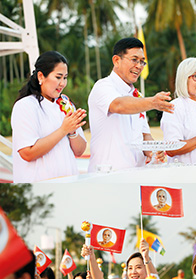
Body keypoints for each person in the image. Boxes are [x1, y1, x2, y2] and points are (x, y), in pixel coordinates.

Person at [87, 37, 174, 173]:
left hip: (136, 174)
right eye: (134, 60)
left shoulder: (137, 97)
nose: (139, 66)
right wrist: (152, 102)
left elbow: (145, 136)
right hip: (107, 175)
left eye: (142, 62)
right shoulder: (103, 86)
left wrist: (154, 151)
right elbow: (118, 105)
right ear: (116, 60)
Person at [11, 51, 87, 183]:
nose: (63, 83)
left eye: (65, 77)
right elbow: (27, 153)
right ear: (41, 76)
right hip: (39, 188)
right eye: (58, 77)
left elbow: (79, 151)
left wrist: (72, 132)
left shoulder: (66, 105)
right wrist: (63, 130)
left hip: (69, 184)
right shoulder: (25, 106)